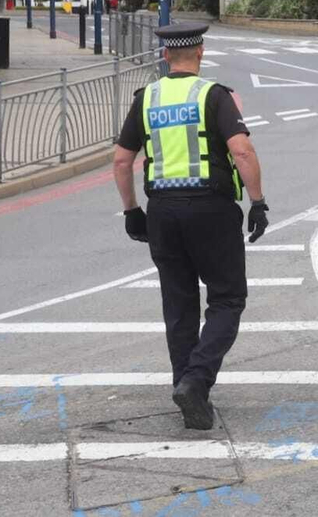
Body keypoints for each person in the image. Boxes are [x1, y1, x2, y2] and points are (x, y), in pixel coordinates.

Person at [112, 21, 270, 430]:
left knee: (178, 304)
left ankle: (185, 385)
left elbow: (121, 160)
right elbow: (242, 150)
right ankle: (196, 384)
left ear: (166, 56)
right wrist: (257, 203)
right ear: (200, 53)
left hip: (163, 211)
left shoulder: (146, 98)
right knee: (228, 299)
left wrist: (132, 210)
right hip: (211, 211)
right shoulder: (212, 96)